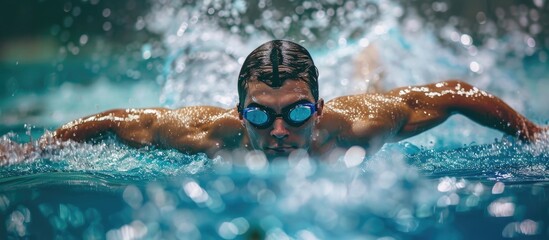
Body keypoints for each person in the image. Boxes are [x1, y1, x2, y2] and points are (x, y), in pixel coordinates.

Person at [1, 40, 547, 162]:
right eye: (261, 113)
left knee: (379, 89)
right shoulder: (212, 135)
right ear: (240, 113)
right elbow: (119, 121)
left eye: (298, 112)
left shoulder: (354, 126)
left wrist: (534, 136)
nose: (280, 131)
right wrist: (32, 151)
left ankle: (372, 53)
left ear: (320, 107)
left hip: (367, 102)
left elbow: (454, 95)